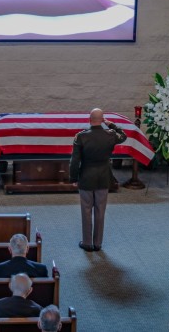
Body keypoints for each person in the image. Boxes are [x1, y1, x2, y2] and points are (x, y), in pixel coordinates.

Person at [69, 108, 127, 252]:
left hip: (86, 177)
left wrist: (73, 177)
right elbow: (124, 135)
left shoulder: (81, 137)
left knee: (86, 210)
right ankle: (98, 243)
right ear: (102, 120)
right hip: (103, 177)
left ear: (89, 119)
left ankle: (87, 243)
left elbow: (74, 161)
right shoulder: (110, 135)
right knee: (100, 211)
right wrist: (111, 124)